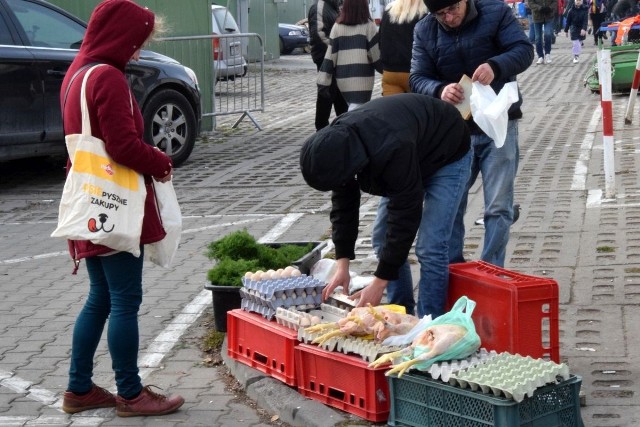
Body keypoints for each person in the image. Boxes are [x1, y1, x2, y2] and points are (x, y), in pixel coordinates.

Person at [59, 0, 184, 417]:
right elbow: (122, 145)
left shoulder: (76, 74)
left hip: (88, 201)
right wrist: (161, 162)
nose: (138, 51)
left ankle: (78, 389)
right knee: (125, 299)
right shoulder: (108, 78)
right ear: (120, 36)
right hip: (115, 204)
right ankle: (131, 394)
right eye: (137, 42)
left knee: (100, 297)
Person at [300, 93, 472, 318]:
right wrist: (342, 264)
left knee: (431, 247)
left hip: (448, 151)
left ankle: (430, 325)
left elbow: (405, 216)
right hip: (413, 147)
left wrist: (378, 283)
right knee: (382, 238)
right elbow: (344, 204)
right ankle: (401, 313)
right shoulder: (339, 145)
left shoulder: (390, 147)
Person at [410, 0, 534, 268]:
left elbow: (524, 50)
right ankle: (454, 268)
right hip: (455, 132)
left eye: (453, 9)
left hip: (499, 125)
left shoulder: (496, 12)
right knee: (451, 205)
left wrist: (496, 66)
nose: (449, 17)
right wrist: (439, 89)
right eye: (441, 14)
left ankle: (492, 269)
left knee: (499, 207)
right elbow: (417, 76)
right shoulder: (425, 29)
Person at [317, 0, 383, 111]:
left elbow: (330, 56)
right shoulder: (369, 26)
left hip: (343, 80)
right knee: (356, 113)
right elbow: (376, 56)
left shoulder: (337, 27)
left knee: (354, 110)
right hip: (363, 80)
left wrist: (323, 81)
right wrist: (387, 70)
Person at [308, 0, 349, 130]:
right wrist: (335, 51)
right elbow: (318, 34)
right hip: (324, 58)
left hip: (334, 57)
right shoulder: (319, 6)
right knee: (326, 92)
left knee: (339, 93)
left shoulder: (334, 6)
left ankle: (343, 127)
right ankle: (321, 127)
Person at [378, 0, 427, 95]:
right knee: (417, 108)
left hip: (390, 73)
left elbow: (380, 41)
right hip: (415, 74)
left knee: (393, 109)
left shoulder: (388, 11)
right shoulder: (424, 14)